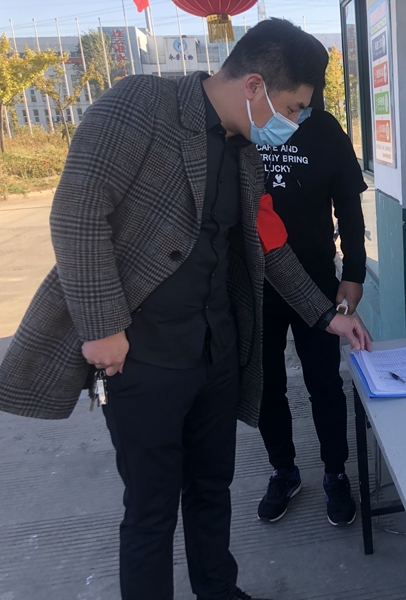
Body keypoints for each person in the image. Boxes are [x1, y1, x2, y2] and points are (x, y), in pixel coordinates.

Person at [0, 18, 370, 600]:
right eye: (293, 108)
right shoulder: (140, 105)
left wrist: (326, 315)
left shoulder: (245, 153)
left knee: (211, 488)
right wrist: (101, 328)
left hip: (215, 353)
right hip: (142, 357)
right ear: (254, 86)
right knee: (151, 509)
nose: (295, 122)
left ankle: (218, 591)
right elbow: (76, 214)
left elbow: (268, 248)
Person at [255, 71, 367, 526]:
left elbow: (350, 206)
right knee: (266, 386)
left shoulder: (325, 130)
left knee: (324, 383)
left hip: (316, 282)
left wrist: (354, 273)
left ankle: (335, 472)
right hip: (256, 284)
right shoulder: (246, 129)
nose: (295, 111)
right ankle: (283, 470)